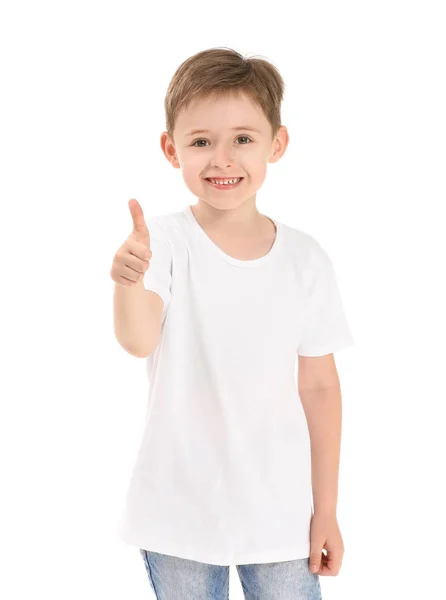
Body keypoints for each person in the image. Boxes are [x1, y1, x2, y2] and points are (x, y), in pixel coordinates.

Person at [111, 47, 354, 599]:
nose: (222, 158)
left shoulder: (305, 258)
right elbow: (138, 339)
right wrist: (128, 282)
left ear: (277, 143)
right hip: (177, 513)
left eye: (242, 138)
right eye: (201, 141)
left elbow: (320, 387)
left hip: (281, 516)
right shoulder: (164, 243)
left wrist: (327, 510)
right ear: (172, 150)